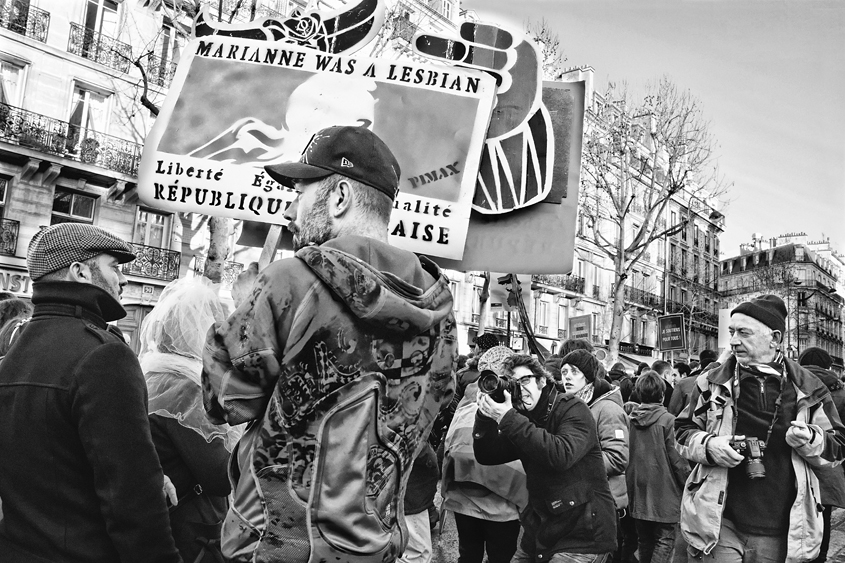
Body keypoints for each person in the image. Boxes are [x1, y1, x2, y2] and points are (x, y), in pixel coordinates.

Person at [202, 125, 457, 563]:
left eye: (300, 194)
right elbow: (439, 401)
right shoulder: (440, 313)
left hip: (276, 548)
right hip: (373, 548)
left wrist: (243, 310)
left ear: (339, 197)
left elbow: (223, 398)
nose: (289, 211)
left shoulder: (290, 282)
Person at [0, 223, 181, 563]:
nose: (123, 279)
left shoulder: (14, 355)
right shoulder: (102, 355)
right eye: (114, 267)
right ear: (79, 271)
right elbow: (132, 497)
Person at [675, 294, 845, 562]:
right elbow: (681, 432)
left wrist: (810, 439)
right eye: (731, 332)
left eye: (743, 332)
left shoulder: (809, 387)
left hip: (782, 531)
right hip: (719, 525)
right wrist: (709, 447)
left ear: (775, 338)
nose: (732, 341)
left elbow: (838, 450)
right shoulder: (711, 382)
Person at [474, 353, 617, 562]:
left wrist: (508, 418)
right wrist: (485, 416)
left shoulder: (573, 408)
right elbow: (487, 454)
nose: (520, 388)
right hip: (542, 529)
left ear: (542, 381)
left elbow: (561, 455)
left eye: (525, 380)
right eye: (513, 383)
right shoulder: (523, 417)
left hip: (583, 534)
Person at [139, 276, 243, 563]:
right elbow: (221, 477)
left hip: (158, 520)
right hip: (191, 533)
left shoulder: (149, 372)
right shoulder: (186, 387)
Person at [441, 348, 528, 563]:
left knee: (468, 555)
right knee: (500, 557)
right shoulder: (511, 410)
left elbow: (451, 447)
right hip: (502, 507)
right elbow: (516, 464)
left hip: (464, 499)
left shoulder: (466, 403)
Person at [561, 349, 630, 563]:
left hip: (602, 507)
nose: (568, 377)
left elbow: (618, 458)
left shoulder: (607, 409)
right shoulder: (572, 406)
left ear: (589, 375)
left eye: (575, 371)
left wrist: (572, 460)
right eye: (564, 372)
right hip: (577, 505)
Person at [627, 371, 690, 563]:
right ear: (662, 395)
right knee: (665, 540)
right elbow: (677, 460)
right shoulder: (669, 421)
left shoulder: (630, 419)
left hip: (638, 490)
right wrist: (688, 484)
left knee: (644, 539)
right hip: (665, 491)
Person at [798, 347, 845, 563]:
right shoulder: (841, 393)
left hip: (793, 464)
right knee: (822, 514)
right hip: (828, 465)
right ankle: (820, 556)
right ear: (828, 366)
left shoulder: (790, 385)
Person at [669, 350, 717, 417]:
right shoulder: (724, 383)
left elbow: (673, 412)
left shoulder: (684, 383)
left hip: (690, 424)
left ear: (699, 365)